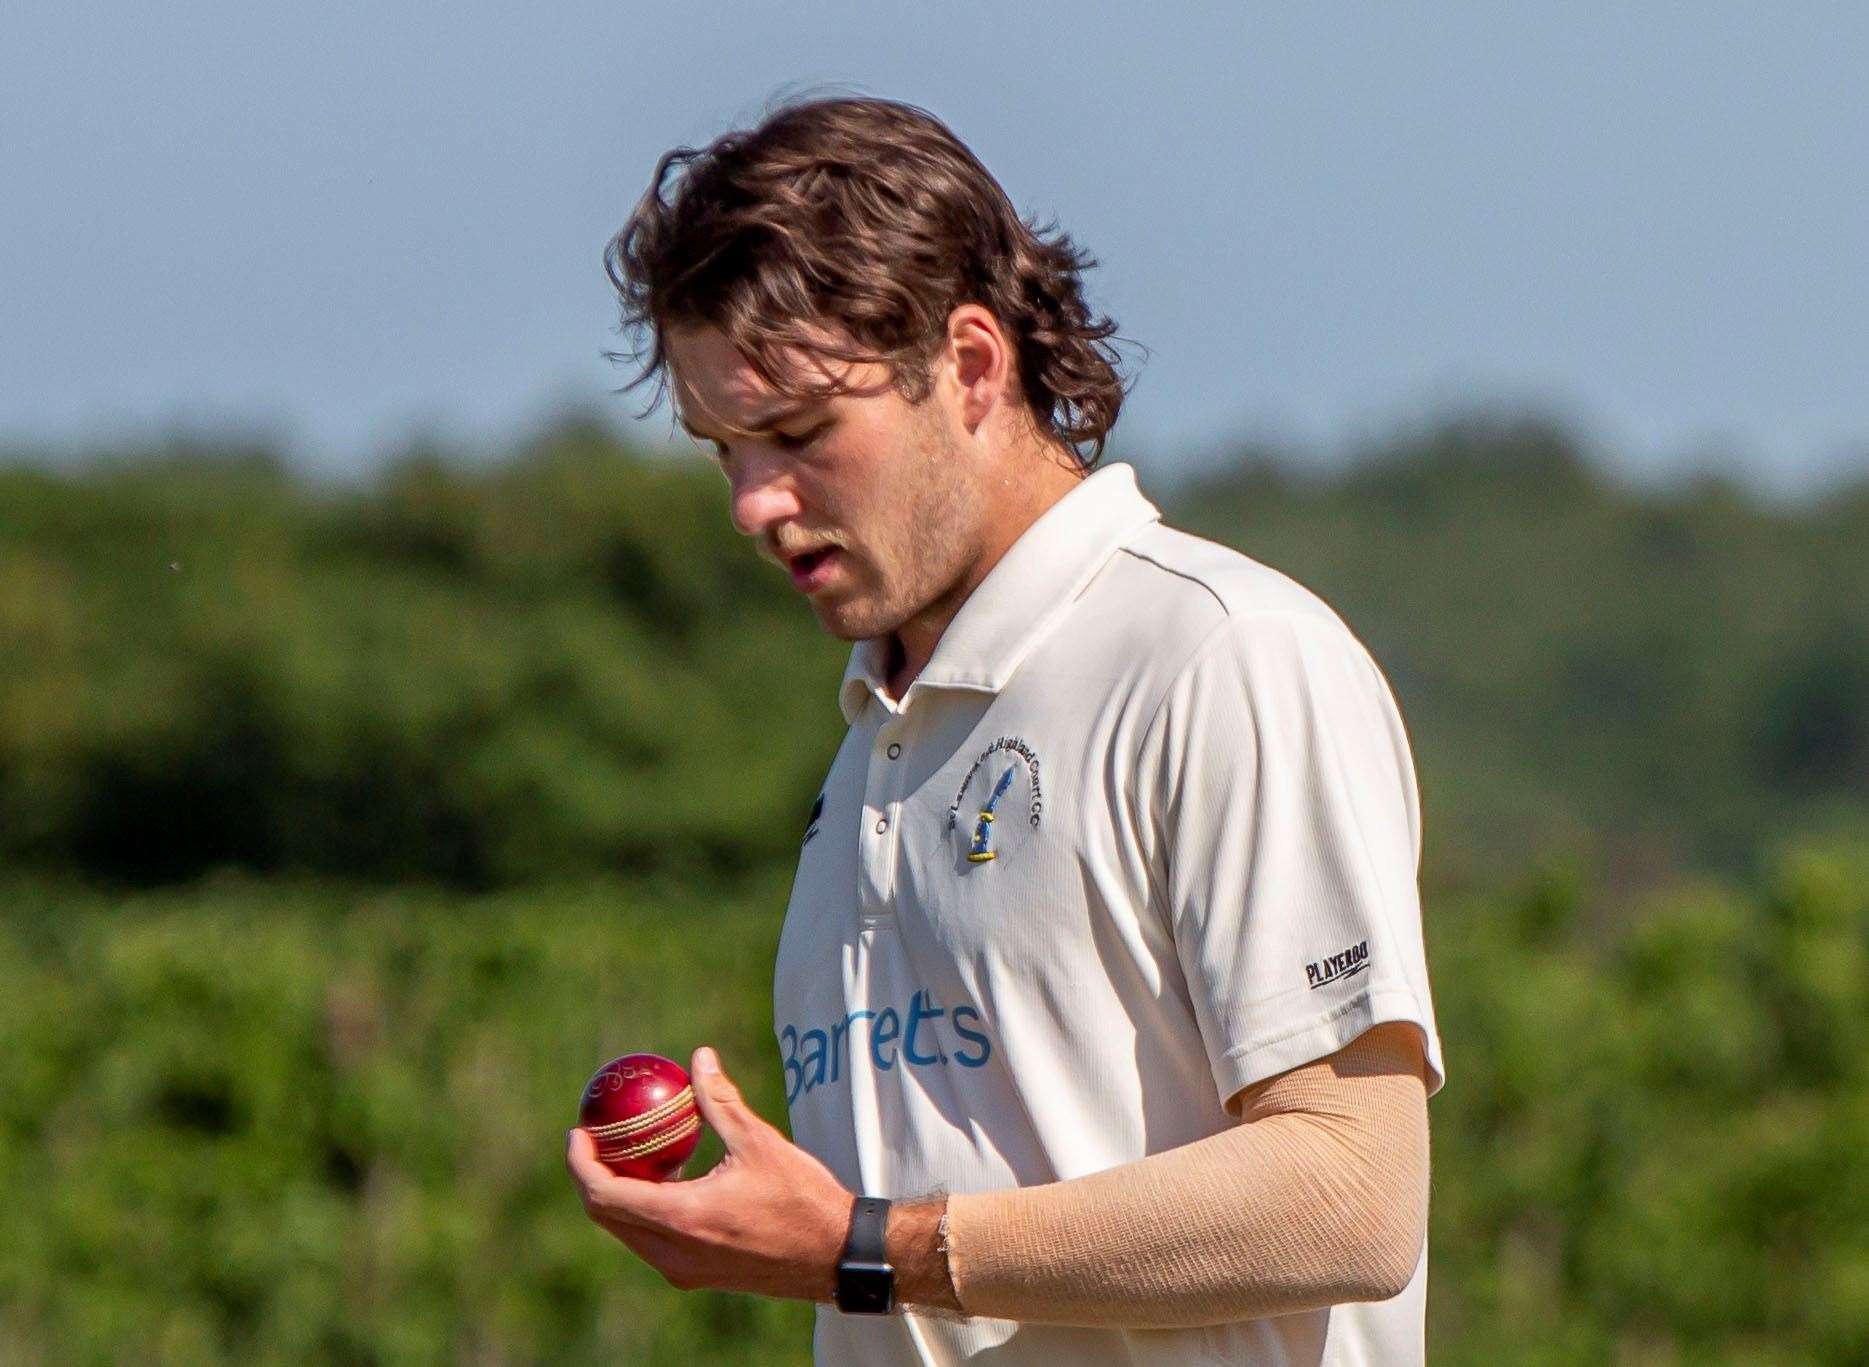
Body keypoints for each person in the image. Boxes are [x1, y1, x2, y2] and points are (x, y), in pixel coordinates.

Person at [567, 94, 1445, 1367]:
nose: (756, 502)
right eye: (725, 448)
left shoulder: (1220, 655)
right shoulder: (875, 728)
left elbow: (1350, 1196)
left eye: (802, 432)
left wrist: (866, 1246)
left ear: (972, 365)